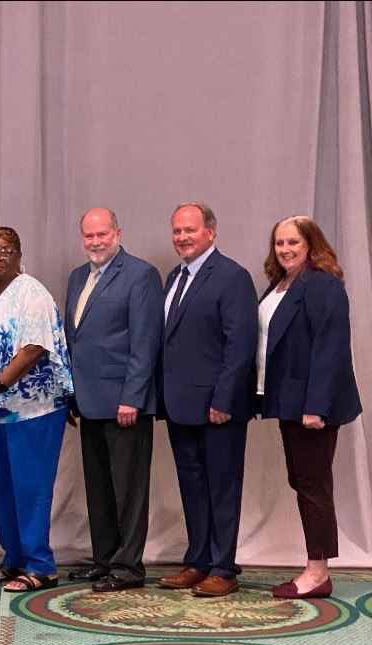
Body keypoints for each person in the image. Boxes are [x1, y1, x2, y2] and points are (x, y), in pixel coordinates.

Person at [257, 216, 361, 599]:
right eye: (279, 242)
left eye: (293, 243)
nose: (285, 249)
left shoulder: (320, 284)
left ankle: (318, 573)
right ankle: (316, 567)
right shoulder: (282, 283)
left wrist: (315, 406)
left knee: (314, 487)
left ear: (311, 244)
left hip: (311, 406)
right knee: (302, 482)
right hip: (288, 401)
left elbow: (329, 349)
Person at [157, 202, 257, 597]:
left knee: (222, 486)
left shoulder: (232, 277)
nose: (182, 237)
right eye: (177, 230)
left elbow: (240, 347)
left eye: (190, 230)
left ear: (210, 233)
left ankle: (224, 567)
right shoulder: (173, 278)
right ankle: (198, 561)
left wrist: (224, 399)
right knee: (193, 486)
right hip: (180, 404)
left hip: (218, 408)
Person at [0, 227, 73, 592]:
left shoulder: (32, 292)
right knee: (2, 487)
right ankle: (14, 558)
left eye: (5, 250)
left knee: (31, 487)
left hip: (33, 408)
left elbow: (33, 347)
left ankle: (41, 565)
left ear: (18, 254)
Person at [64, 208, 163, 592]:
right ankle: (104, 559)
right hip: (88, 401)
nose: (95, 242)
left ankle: (128, 567)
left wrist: (133, 398)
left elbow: (144, 343)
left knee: (128, 490)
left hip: (125, 403)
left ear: (118, 233)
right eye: (88, 236)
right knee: (99, 488)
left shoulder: (140, 275)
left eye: (102, 234)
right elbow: (77, 339)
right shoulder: (77, 277)